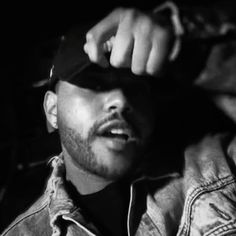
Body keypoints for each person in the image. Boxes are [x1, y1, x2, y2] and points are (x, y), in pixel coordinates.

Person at [1, 1, 236, 235]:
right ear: (53, 110)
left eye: (136, 87)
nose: (121, 101)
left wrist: (197, 49)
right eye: (95, 84)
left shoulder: (222, 166)